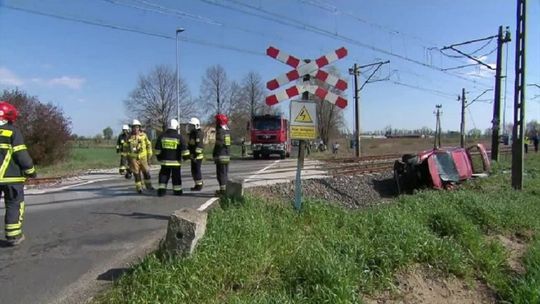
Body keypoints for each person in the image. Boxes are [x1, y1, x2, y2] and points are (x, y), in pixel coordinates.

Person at [0, 101, 36, 246]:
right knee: (14, 204)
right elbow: (21, 155)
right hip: (11, 178)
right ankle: (14, 236)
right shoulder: (12, 132)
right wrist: (31, 171)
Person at [155, 119, 190, 196]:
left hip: (165, 162)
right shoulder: (179, 137)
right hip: (176, 162)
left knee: (163, 175)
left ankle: (161, 190)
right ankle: (177, 191)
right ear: (176, 127)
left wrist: (159, 157)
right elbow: (184, 150)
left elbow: (157, 150)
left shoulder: (162, 136)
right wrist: (186, 157)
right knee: (176, 177)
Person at [127, 119, 154, 193]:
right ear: (132, 128)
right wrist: (128, 162)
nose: (135, 129)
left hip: (143, 158)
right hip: (134, 159)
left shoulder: (144, 136)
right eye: (134, 127)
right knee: (136, 173)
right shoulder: (129, 137)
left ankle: (149, 186)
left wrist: (149, 156)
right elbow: (126, 149)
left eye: (137, 127)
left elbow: (149, 145)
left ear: (139, 127)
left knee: (146, 172)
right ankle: (139, 188)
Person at [213, 114, 231, 195]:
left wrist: (214, 154)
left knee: (220, 174)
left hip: (221, 155)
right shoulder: (227, 131)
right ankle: (225, 189)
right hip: (226, 155)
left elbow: (218, 145)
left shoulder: (220, 131)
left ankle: (223, 191)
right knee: (224, 173)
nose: (215, 122)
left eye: (216, 121)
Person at [187, 117, 204, 191]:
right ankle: (197, 184)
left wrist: (195, 155)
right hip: (193, 155)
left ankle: (199, 185)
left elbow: (199, 146)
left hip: (197, 156)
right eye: (190, 126)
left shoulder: (198, 133)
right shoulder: (192, 134)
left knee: (196, 170)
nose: (190, 127)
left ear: (196, 125)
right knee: (193, 171)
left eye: (192, 126)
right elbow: (191, 144)